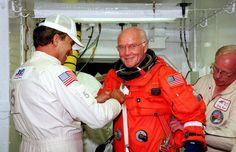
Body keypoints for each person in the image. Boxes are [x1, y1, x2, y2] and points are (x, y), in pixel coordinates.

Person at [10, 14, 124, 152]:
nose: (70, 52)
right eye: (70, 44)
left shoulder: (21, 72)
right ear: (57, 39)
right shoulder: (58, 72)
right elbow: (97, 118)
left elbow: (50, 112)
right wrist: (116, 101)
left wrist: (93, 101)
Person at [97, 27, 207, 152]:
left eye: (132, 46)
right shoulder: (114, 77)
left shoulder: (165, 75)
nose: (126, 52)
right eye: (121, 47)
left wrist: (193, 147)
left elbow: (193, 114)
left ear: (145, 46)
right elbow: (98, 113)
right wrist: (96, 101)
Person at [194, 45, 236, 152]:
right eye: (215, 68)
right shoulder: (204, 81)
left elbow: (232, 140)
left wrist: (194, 131)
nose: (217, 75)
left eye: (225, 73)